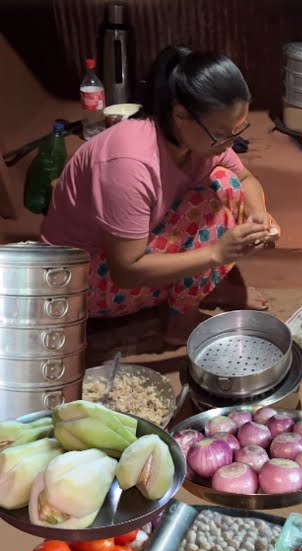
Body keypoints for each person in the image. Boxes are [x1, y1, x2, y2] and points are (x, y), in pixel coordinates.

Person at [41, 47, 276, 345]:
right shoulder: (130, 164)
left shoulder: (199, 139)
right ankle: (181, 321)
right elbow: (125, 272)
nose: (229, 142)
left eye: (237, 130)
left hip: (125, 250)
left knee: (226, 183)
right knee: (216, 209)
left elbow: (245, 178)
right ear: (180, 114)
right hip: (81, 283)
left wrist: (258, 213)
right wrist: (217, 254)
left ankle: (199, 287)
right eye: (221, 133)